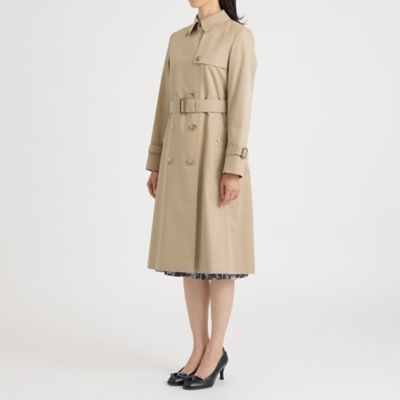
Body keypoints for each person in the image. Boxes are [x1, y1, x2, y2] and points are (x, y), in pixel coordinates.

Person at [145, 0, 257, 390]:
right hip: (178, 159)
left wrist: (234, 166)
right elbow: (164, 104)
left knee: (219, 257)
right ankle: (198, 348)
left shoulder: (238, 37)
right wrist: (156, 161)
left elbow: (241, 105)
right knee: (188, 259)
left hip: (215, 158)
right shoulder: (177, 40)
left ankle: (215, 350)